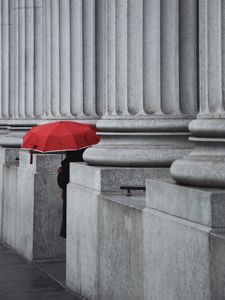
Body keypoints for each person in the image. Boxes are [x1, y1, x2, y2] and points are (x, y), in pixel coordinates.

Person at [57, 149, 85, 238]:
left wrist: (60, 173)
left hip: (70, 199)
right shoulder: (82, 161)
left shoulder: (68, 163)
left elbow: (62, 182)